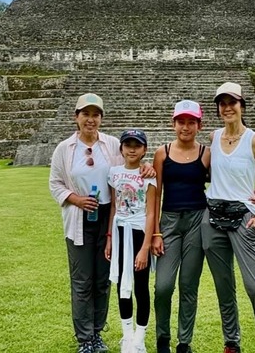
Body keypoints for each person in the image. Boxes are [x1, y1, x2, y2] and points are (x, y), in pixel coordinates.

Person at [49, 93, 154, 353]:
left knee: (103, 279)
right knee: (82, 279)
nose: (90, 119)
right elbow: (55, 183)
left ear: (101, 118)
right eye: (85, 114)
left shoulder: (111, 145)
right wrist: (76, 199)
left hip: (109, 219)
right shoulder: (65, 149)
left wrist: (147, 167)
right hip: (79, 218)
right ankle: (85, 337)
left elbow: (130, 166)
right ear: (76, 117)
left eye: (96, 115)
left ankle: (97, 332)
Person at [202, 82, 255, 353]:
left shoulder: (254, 140)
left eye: (232, 102)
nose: (227, 108)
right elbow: (200, 171)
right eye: (222, 103)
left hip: (244, 216)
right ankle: (231, 343)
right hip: (213, 216)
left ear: (242, 106)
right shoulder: (213, 137)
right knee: (224, 288)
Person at [150, 100, 210, 353]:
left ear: (199, 125)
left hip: (198, 220)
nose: (186, 127)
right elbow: (155, 195)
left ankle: (184, 342)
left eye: (191, 122)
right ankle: (162, 338)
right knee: (163, 286)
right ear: (173, 124)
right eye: (181, 122)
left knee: (189, 285)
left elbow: (222, 185)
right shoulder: (162, 152)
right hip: (170, 222)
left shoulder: (206, 153)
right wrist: (156, 232)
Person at [105, 129, 157, 353]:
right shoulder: (114, 173)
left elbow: (151, 213)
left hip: (138, 233)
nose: (132, 149)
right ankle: (127, 336)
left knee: (141, 286)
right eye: (128, 144)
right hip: (119, 232)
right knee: (121, 287)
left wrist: (145, 247)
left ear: (145, 149)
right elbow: (114, 207)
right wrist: (109, 238)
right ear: (121, 148)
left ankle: (140, 337)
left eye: (137, 145)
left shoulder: (149, 175)